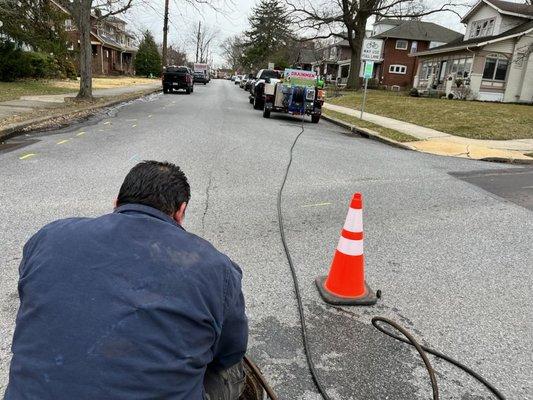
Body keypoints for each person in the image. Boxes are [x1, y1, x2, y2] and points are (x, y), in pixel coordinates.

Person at [4, 161, 248, 400]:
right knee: (235, 371)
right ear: (181, 211)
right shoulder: (216, 267)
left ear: (116, 203)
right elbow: (230, 352)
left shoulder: (48, 237)